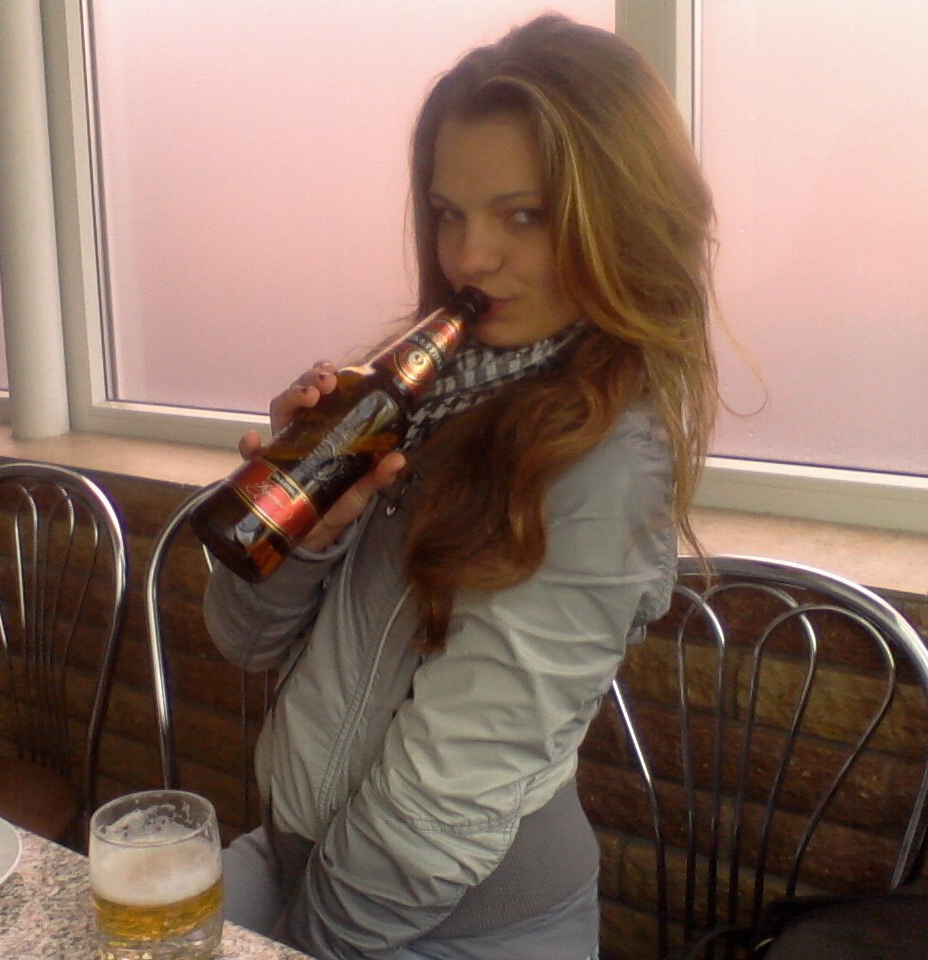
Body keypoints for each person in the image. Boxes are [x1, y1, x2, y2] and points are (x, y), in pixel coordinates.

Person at [202, 13, 717, 960]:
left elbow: (452, 788)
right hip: (295, 861)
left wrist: (311, 943)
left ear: (619, 216)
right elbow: (243, 639)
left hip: (452, 920)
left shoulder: (609, 457)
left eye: (524, 215)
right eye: (449, 213)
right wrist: (302, 523)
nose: (469, 257)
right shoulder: (417, 388)